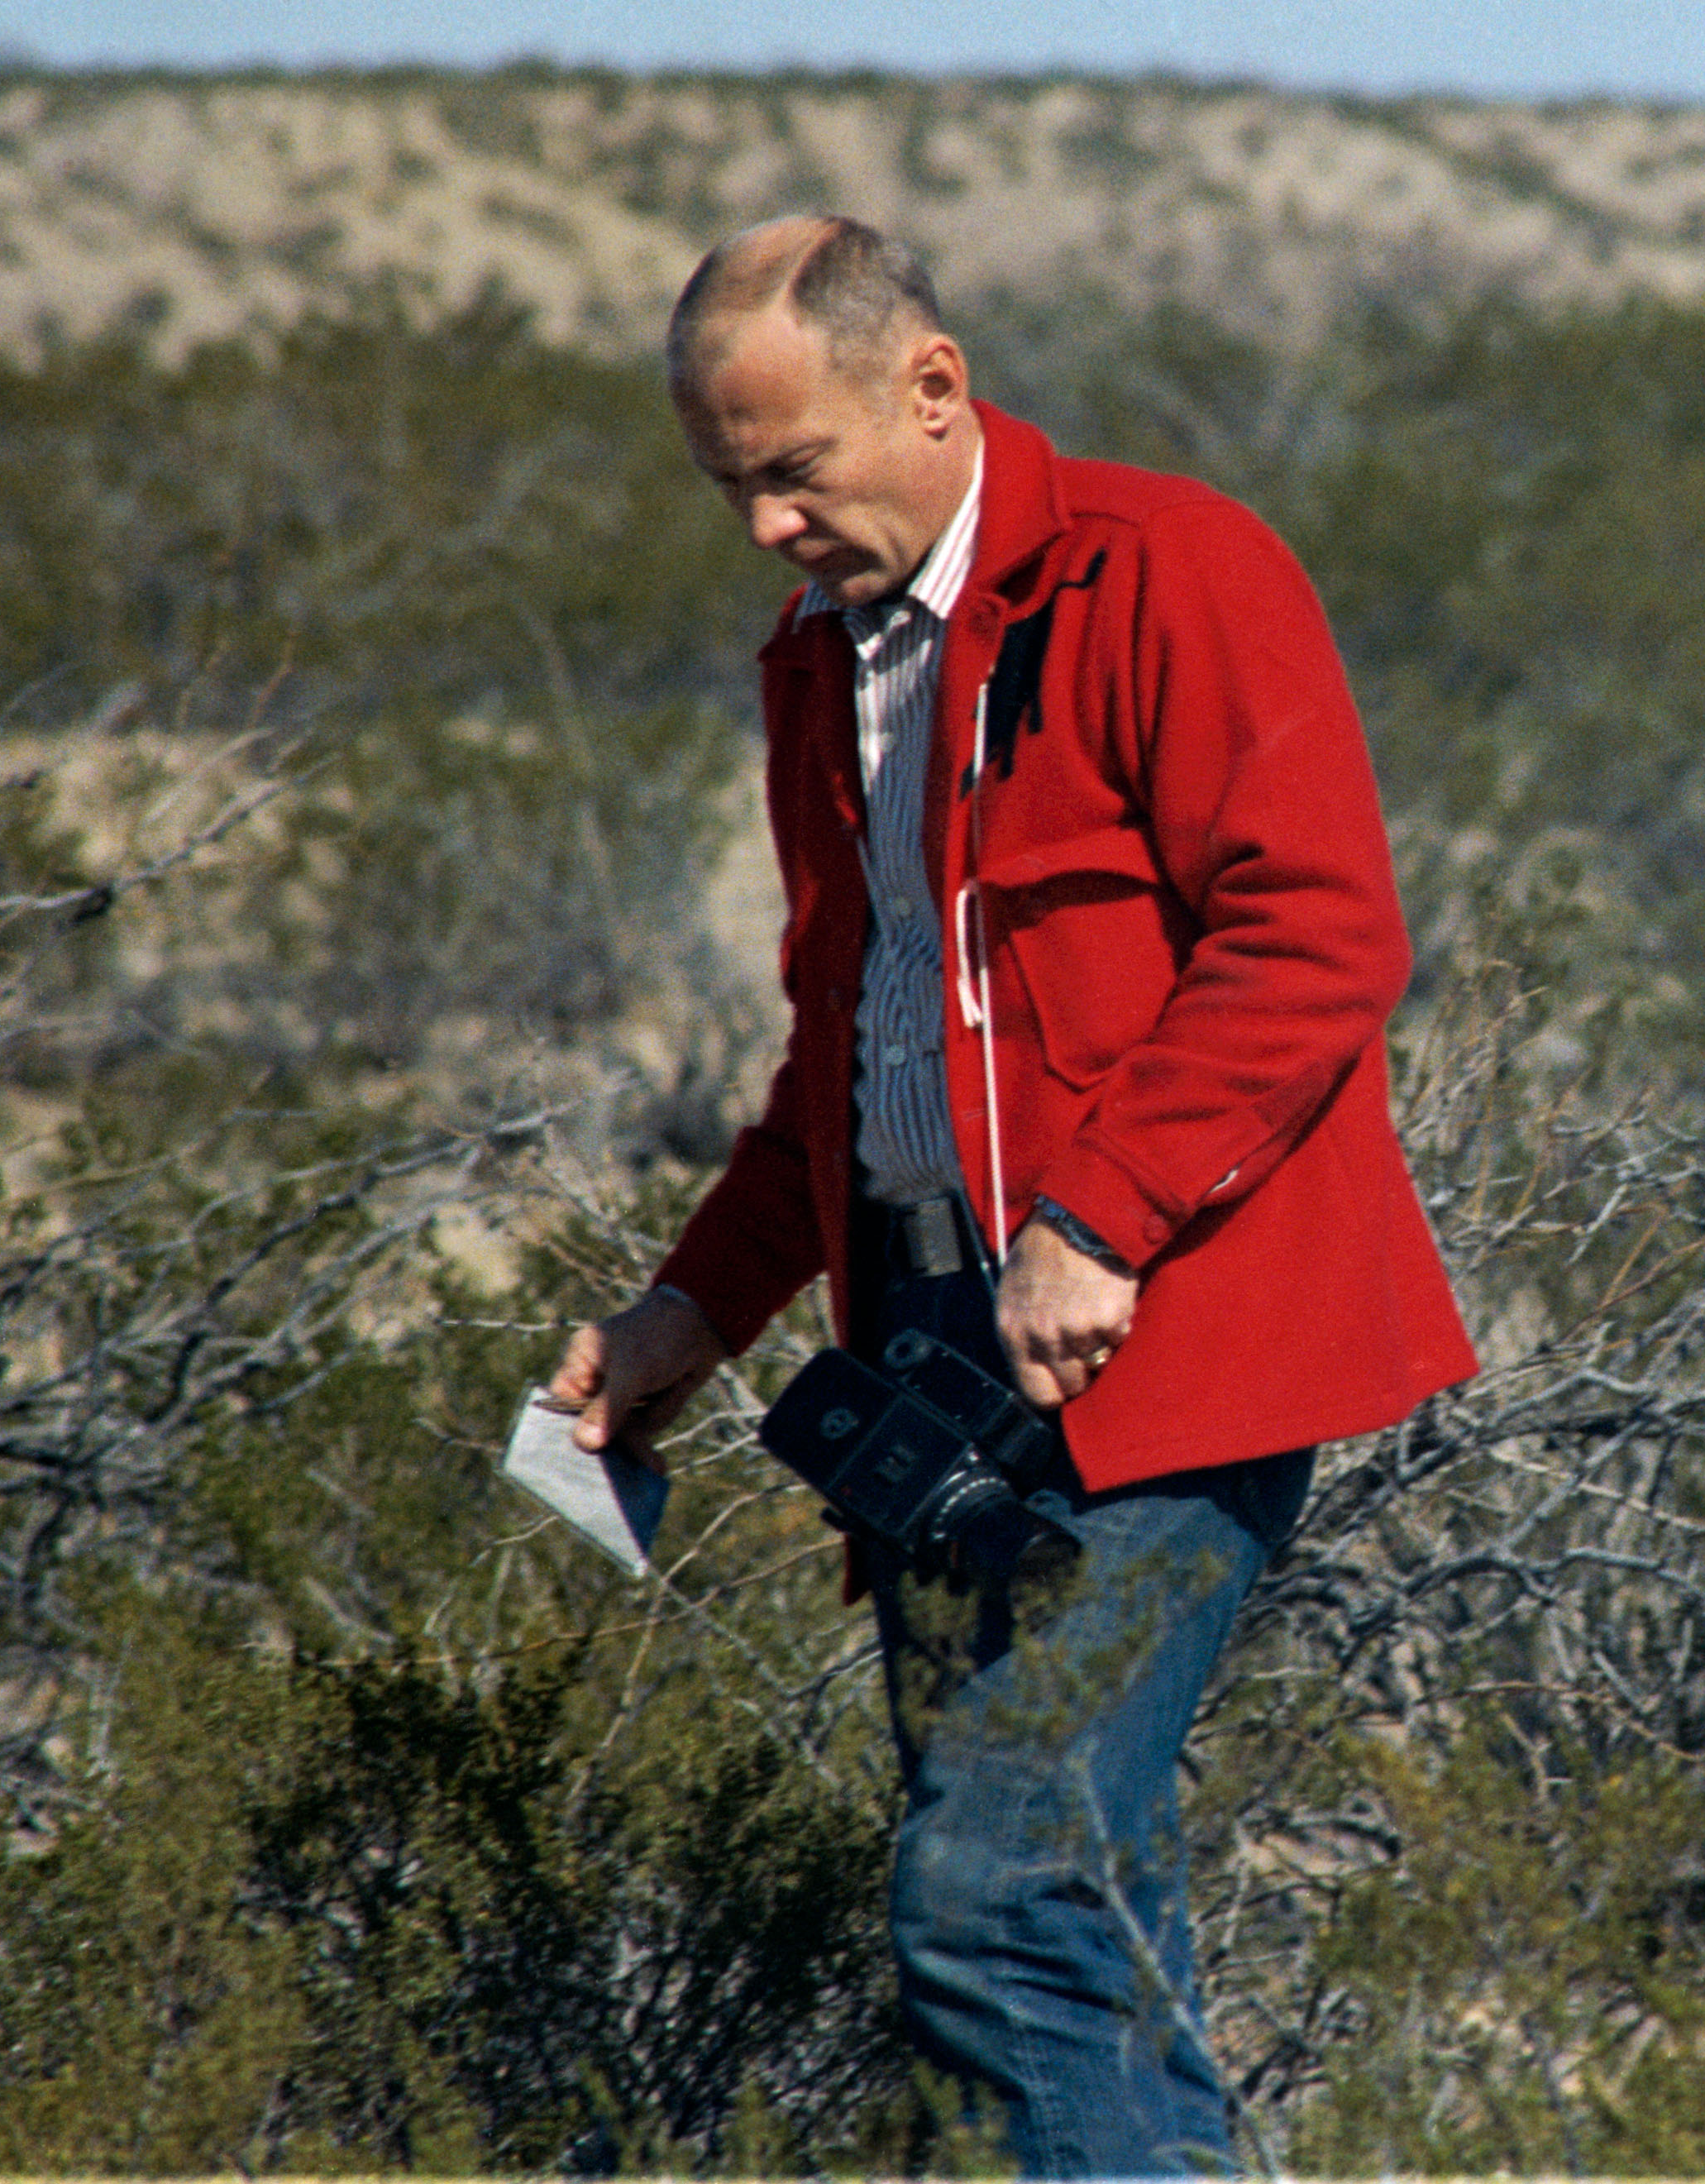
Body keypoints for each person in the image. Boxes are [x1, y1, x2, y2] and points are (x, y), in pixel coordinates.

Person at [548, 215, 1476, 2177]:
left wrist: (1105, 1216)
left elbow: (1316, 938)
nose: (766, 531)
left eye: (794, 473)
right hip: (936, 1379)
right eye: (732, 489)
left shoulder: (1168, 573)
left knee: (1002, 1889)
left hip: (1161, 1358)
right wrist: (686, 1319)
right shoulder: (818, 663)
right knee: (1061, 1914)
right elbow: (845, 1049)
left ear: (935, 389)